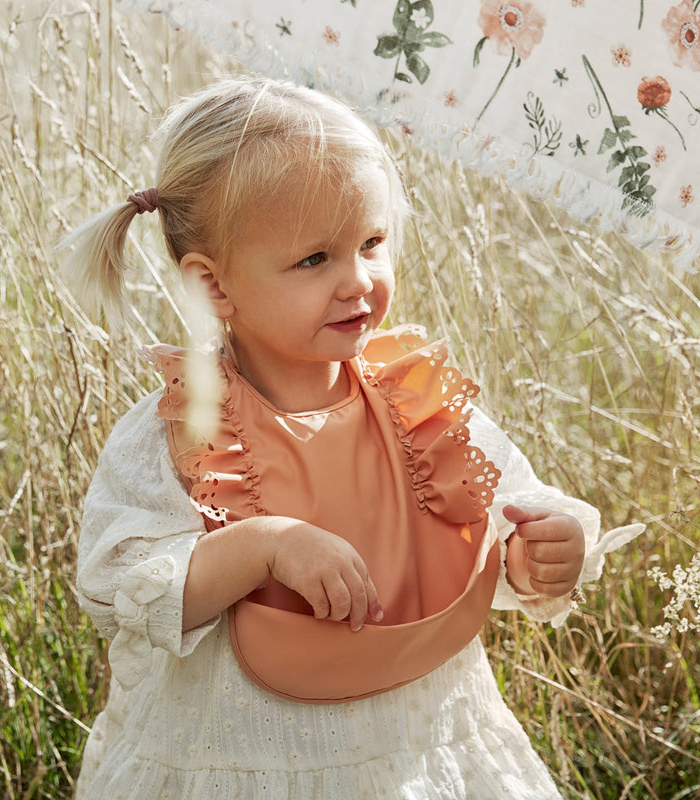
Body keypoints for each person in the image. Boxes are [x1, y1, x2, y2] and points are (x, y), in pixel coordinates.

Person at [59, 76, 642, 799]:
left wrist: (540, 550)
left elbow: (498, 512)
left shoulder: (416, 402)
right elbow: (124, 590)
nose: (358, 280)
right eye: (315, 259)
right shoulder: (182, 433)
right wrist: (263, 544)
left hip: (417, 751)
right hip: (245, 760)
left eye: (370, 242)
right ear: (214, 288)